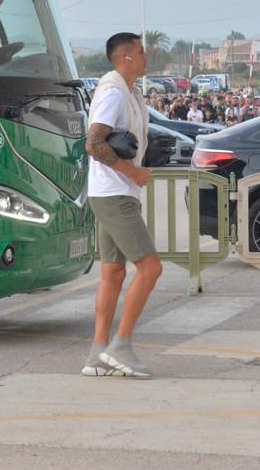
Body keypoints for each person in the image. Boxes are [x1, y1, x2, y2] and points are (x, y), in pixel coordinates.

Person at [82, 33, 162, 378]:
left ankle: (97, 354)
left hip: (114, 191)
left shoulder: (129, 92)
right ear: (126, 57)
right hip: (114, 191)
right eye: (142, 51)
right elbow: (94, 143)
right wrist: (133, 172)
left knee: (113, 272)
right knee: (150, 268)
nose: (148, 56)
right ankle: (121, 345)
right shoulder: (114, 92)